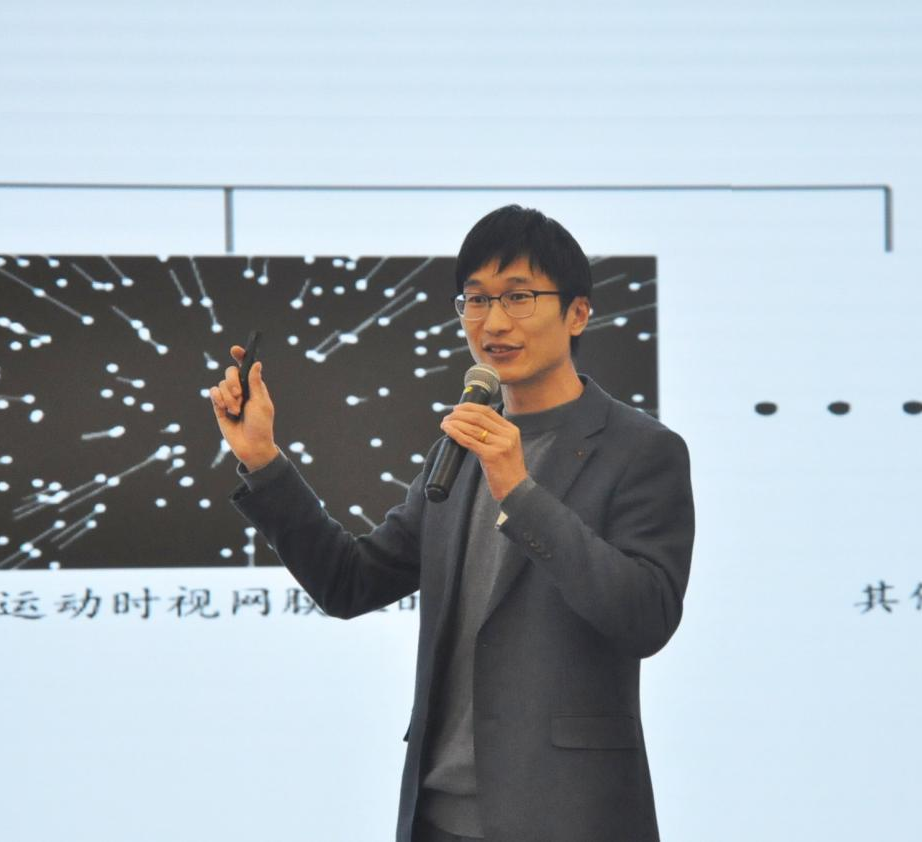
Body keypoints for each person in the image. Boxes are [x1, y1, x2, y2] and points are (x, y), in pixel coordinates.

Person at [209, 205, 695, 842]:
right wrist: (262, 460)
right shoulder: (461, 449)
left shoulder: (641, 450)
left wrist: (521, 493)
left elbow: (646, 617)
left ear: (578, 313)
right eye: (476, 299)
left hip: (569, 817)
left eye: (519, 296)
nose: (494, 322)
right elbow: (349, 582)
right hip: (438, 819)